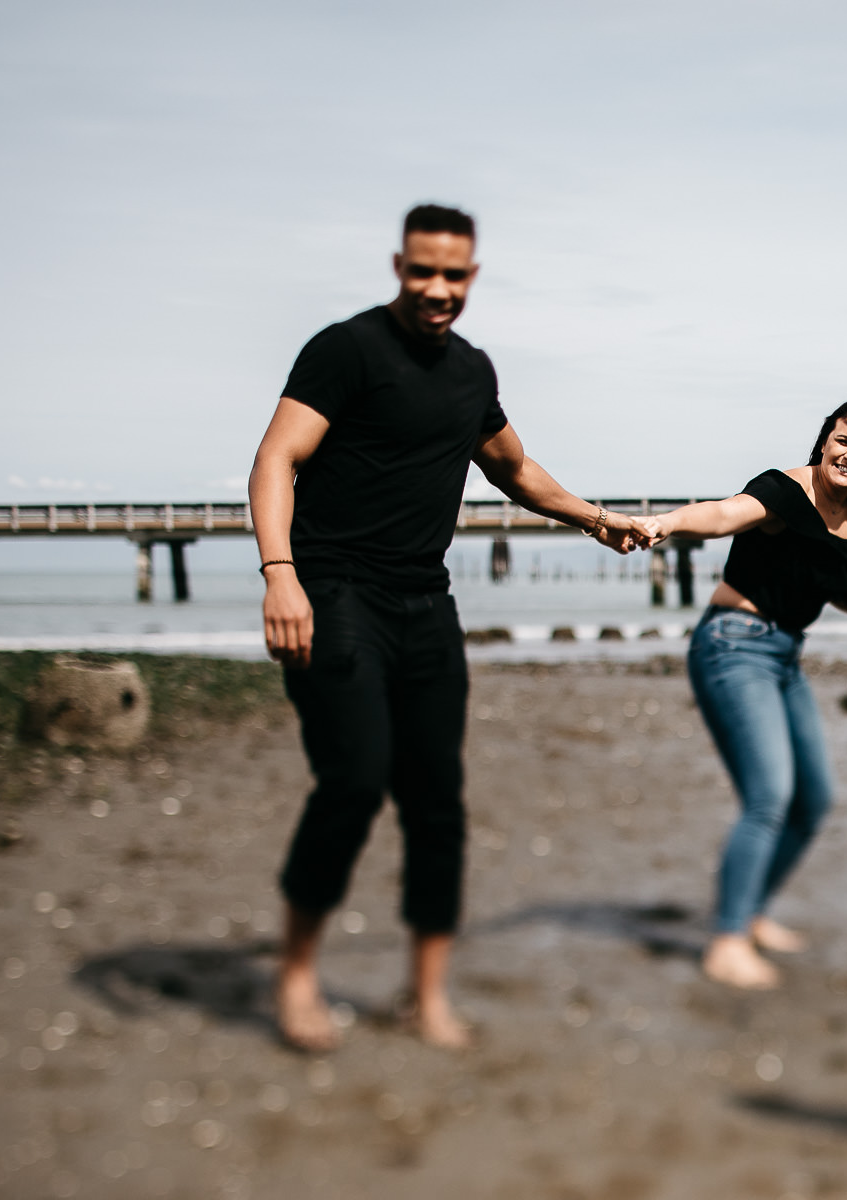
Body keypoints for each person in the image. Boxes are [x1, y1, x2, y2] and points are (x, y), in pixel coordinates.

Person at [249, 203, 643, 1050]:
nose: (436, 289)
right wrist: (281, 576)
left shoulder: (471, 371)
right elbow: (276, 458)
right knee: (353, 781)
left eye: (453, 275)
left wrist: (592, 517)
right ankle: (295, 977)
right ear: (398, 265)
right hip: (333, 589)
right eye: (421, 271)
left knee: (437, 801)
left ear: (472, 276)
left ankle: (423, 997)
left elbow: (514, 469)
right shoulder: (346, 349)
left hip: (426, 602)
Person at [639, 399, 847, 989]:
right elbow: (723, 514)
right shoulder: (785, 490)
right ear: (824, 440)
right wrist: (667, 522)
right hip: (732, 646)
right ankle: (727, 940)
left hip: (784, 656)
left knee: (813, 801)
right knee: (769, 797)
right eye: (844, 440)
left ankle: (752, 914)